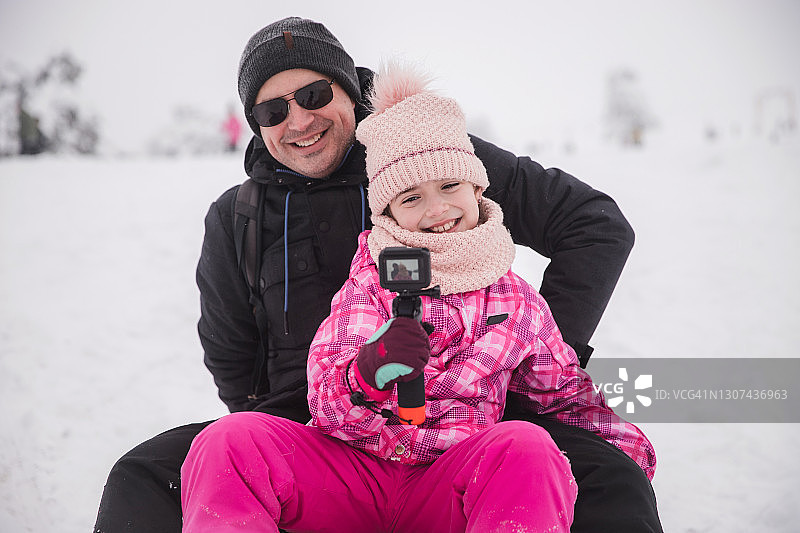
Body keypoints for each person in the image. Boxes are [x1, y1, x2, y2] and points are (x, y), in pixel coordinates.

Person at [94, 17, 662, 532]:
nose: (300, 119)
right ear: (257, 126)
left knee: (612, 483)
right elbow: (229, 352)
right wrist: (277, 427)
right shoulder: (237, 215)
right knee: (145, 477)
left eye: (315, 94)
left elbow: (594, 226)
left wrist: (506, 350)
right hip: (312, 422)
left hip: (475, 415)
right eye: (274, 111)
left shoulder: (426, 154)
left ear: (350, 89)